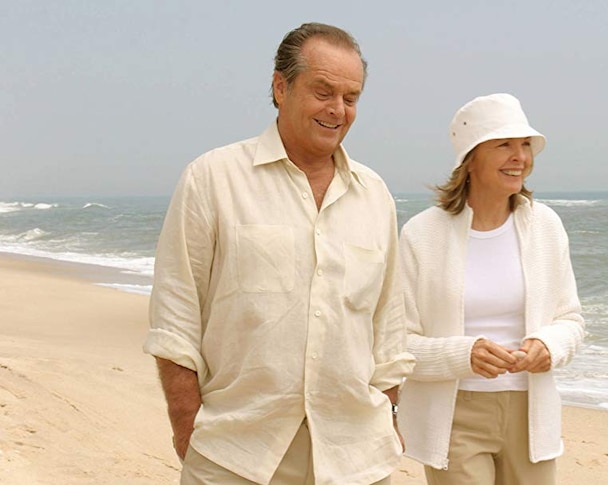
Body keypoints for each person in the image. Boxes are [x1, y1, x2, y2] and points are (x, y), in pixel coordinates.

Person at [144, 22, 414, 485]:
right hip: (236, 451)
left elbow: (387, 327)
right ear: (280, 86)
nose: (338, 110)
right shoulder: (212, 179)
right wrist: (186, 427)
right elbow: (176, 316)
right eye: (323, 91)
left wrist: (387, 414)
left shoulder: (375, 195)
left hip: (355, 455)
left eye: (351, 98)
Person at [397, 93, 586, 484]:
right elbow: (397, 342)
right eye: (504, 145)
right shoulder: (421, 234)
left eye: (525, 146)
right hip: (455, 415)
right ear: (470, 159)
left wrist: (548, 346)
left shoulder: (546, 227)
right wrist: (464, 354)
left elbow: (571, 320)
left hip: (531, 412)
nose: (520, 157)